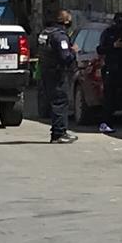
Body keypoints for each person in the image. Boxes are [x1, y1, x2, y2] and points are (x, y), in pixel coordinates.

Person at [42, 9, 78, 143]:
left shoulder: (46, 33)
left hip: (46, 72)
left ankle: (59, 131)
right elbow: (65, 57)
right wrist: (73, 52)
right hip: (57, 73)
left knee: (55, 102)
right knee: (60, 102)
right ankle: (58, 134)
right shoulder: (60, 36)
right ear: (66, 22)